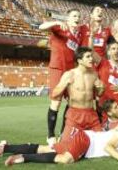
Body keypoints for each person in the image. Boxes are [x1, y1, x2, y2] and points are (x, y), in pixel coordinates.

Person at [0, 126, 118, 166]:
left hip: (85, 140)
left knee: (48, 149)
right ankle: (20, 158)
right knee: (66, 159)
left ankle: (5, 148)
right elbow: (109, 148)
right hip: (87, 142)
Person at [38, 9, 85, 145]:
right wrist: (57, 21)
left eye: (78, 16)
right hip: (57, 69)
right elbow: (41, 27)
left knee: (71, 102)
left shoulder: (79, 36)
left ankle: (64, 133)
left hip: (70, 71)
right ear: (68, 19)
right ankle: (51, 136)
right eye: (74, 16)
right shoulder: (60, 27)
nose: (77, 18)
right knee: (56, 102)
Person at [51, 47, 104, 142]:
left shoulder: (94, 74)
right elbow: (54, 94)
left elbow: (99, 94)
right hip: (75, 115)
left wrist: (101, 88)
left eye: (91, 56)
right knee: (66, 145)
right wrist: (64, 84)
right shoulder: (69, 74)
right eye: (88, 57)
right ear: (79, 60)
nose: (91, 59)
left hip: (91, 114)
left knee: (101, 143)